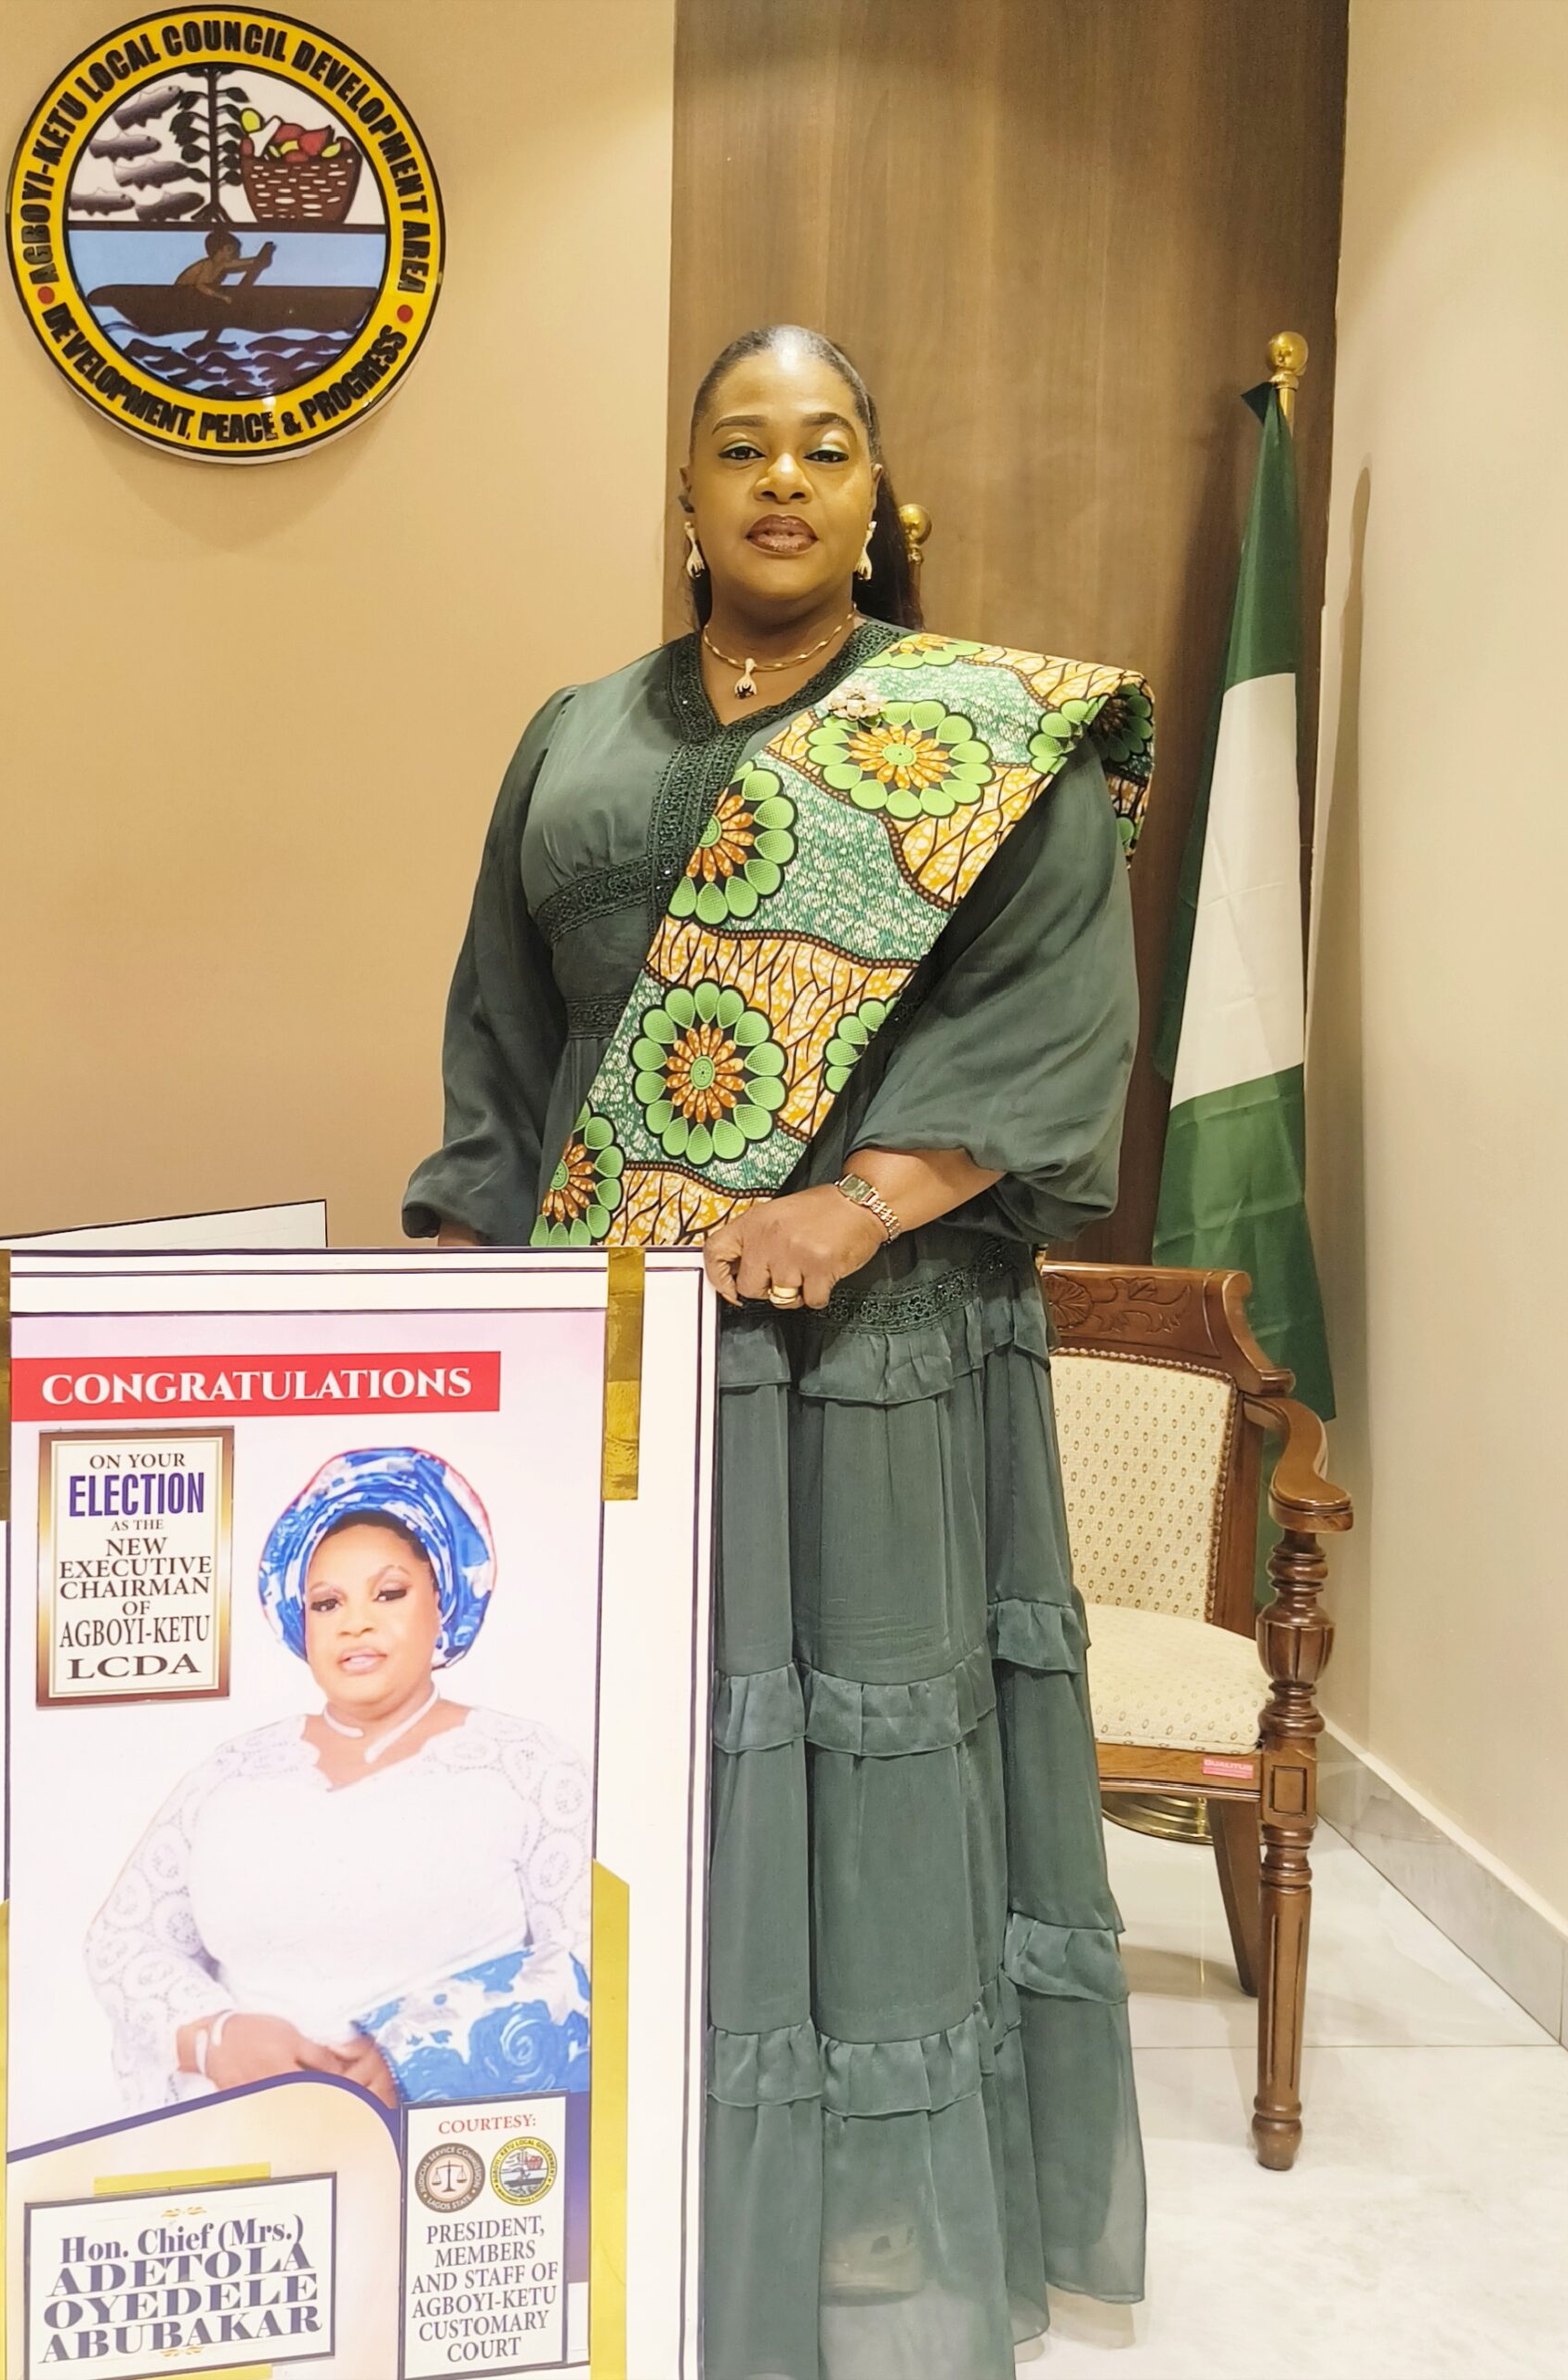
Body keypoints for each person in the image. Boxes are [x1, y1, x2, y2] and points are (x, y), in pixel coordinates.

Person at [403, 324, 1150, 2379]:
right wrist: (463, 1254)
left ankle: (866, 2222)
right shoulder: (573, 734)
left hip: (875, 1345)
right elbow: (504, 1027)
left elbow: (1059, 1012)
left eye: (826, 447)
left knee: (853, 1774)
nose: (784, 479)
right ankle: (638, 2185)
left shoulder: (981, 729)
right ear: (688, 494)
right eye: (742, 447)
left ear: (877, 495)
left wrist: (864, 1201)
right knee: (638, 1764)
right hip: (615, 1338)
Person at [84, 1447, 591, 2113]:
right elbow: (124, 1939)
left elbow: (591, 1957)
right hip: (239, 2143)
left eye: (389, 1593)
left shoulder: (526, 1765)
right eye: (327, 1603)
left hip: (455, 2148)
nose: (355, 1623)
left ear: (444, 1598)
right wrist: (213, 2038)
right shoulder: (231, 1774)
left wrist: (423, 2054)